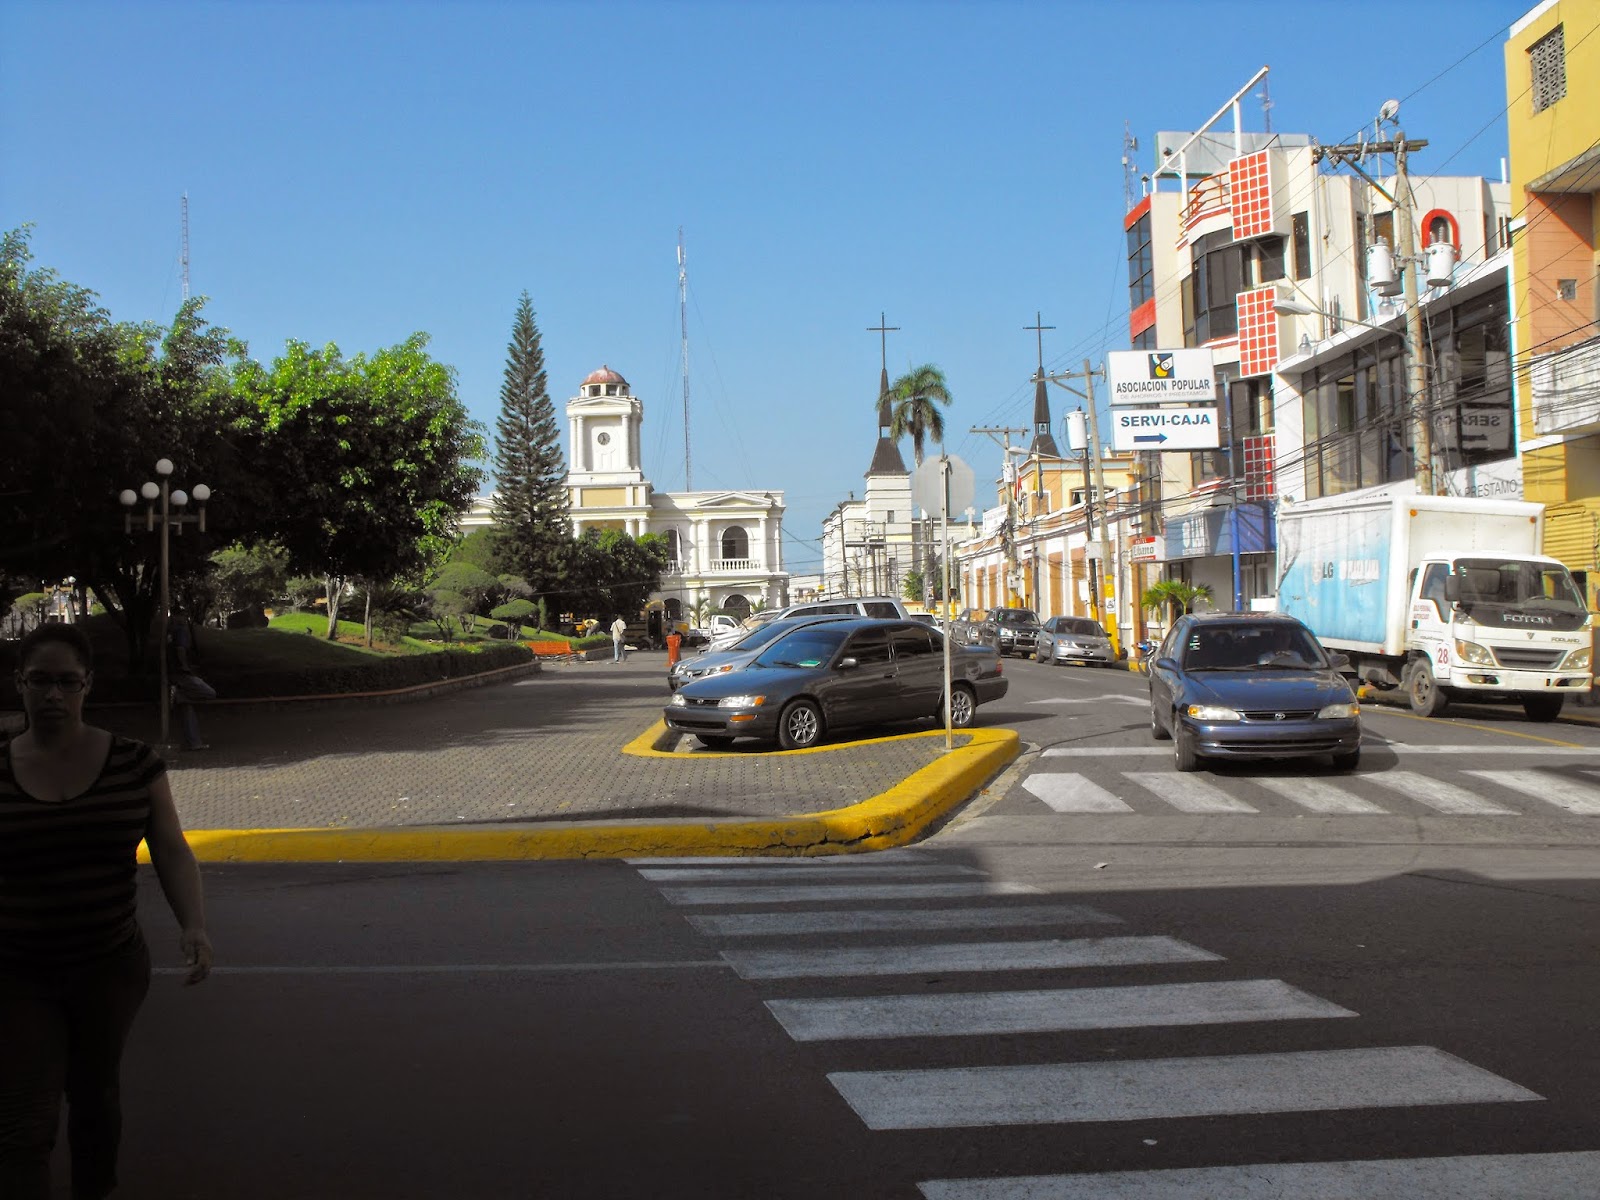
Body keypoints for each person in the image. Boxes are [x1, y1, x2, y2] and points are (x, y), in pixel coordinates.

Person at [0, 623, 213, 1200]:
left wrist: (193, 925)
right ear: (19, 683)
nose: (53, 695)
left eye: (66, 682)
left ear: (87, 685)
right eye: (39, 681)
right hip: (16, 972)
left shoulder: (134, 763)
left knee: (96, 1096)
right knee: (24, 1120)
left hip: (109, 966)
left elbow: (170, 848)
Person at [166, 605, 215, 751]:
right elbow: (180, 649)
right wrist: (185, 668)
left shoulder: (170, 631)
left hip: (175, 673)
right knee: (210, 693)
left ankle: (194, 742)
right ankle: (179, 693)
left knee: (187, 708)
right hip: (182, 674)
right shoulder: (180, 629)